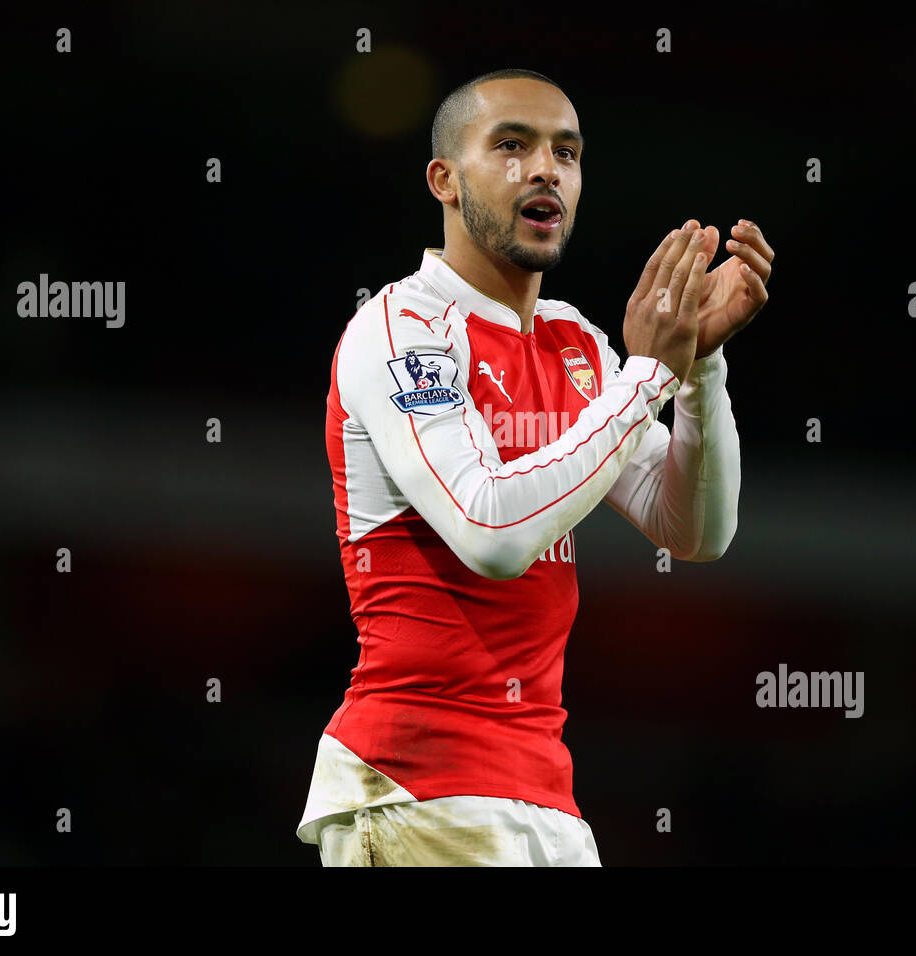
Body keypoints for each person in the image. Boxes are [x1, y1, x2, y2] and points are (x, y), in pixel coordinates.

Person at [297, 68, 773, 865]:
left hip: (544, 794)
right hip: (418, 784)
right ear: (444, 180)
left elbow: (695, 529)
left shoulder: (574, 343)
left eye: (567, 152)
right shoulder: (402, 327)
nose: (545, 168)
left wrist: (696, 370)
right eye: (512, 146)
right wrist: (648, 377)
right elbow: (490, 530)